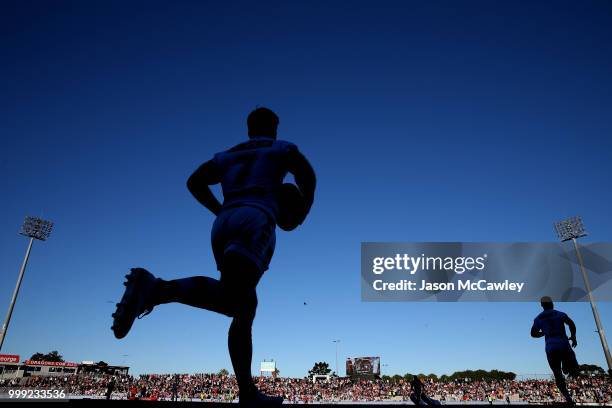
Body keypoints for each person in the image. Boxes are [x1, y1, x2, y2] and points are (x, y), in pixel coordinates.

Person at [111, 107, 316, 408]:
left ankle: (247, 392)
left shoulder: (228, 154)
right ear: (274, 127)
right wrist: (302, 214)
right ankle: (155, 288)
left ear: (249, 129)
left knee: (244, 304)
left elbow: (194, 181)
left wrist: (220, 210)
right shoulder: (282, 148)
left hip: (224, 222)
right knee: (237, 302)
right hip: (256, 219)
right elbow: (308, 176)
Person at [531, 296, 580, 405]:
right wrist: (573, 336)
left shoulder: (538, 318)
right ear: (552, 303)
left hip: (551, 347)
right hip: (563, 344)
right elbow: (571, 324)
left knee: (557, 374)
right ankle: (567, 366)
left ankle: (568, 399)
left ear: (542, 305)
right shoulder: (559, 313)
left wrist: (543, 333)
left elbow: (533, 333)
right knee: (575, 370)